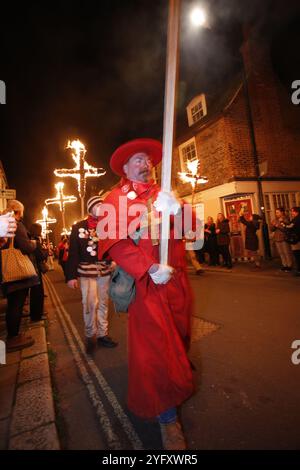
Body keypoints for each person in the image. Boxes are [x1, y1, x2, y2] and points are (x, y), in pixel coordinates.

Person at [96, 138, 195, 450]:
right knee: (157, 351)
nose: (146, 164)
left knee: (179, 341)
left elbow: (194, 227)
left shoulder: (164, 194)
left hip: (177, 282)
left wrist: (178, 209)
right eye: (138, 159)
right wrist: (150, 268)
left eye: (147, 160)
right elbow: (115, 243)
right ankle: (168, 421)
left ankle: (176, 385)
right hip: (148, 285)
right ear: (125, 168)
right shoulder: (115, 199)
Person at [66, 196, 118, 353]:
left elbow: (114, 247)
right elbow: (73, 252)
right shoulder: (78, 227)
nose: (102, 208)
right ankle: (90, 336)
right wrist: (71, 276)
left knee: (103, 303)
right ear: (90, 209)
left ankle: (102, 334)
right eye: (98, 206)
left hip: (104, 270)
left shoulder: (107, 226)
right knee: (90, 303)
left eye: (103, 206)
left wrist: (114, 260)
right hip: (86, 272)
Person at [1, 200, 39, 352]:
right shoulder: (15, 224)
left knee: (12, 304)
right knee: (16, 304)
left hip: (6, 269)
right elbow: (26, 246)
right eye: (21, 212)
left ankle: (12, 335)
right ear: (17, 211)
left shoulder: (1, 222)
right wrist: (34, 243)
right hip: (17, 271)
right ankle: (13, 337)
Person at [29, 223, 48, 322]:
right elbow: (40, 255)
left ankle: (36, 314)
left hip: (32, 268)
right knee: (38, 293)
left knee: (35, 293)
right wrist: (46, 252)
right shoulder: (35, 241)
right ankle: (37, 316)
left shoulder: (30, 238)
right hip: (35, 269)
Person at [270, 208, 293, 272]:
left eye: (278, 212)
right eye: (276, 212)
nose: (276, 214)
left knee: (286, 252)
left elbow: (285, 228)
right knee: (281, 253)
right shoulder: (275, 219)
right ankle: (284, 265)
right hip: (277, 238)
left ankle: (289, 265)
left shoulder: (286, 219)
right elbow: (271, 229)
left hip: (284, 238)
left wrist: (277, 225)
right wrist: (273, 226)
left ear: (282, 212)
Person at [284, 207, 300, 276]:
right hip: (298, 238)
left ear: (296, 212)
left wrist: (283, 225)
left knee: (297, 255)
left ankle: (299, 270)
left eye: (292, 211)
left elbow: (290, 226)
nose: (291, 213)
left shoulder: (296, 219)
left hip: (296, 239)